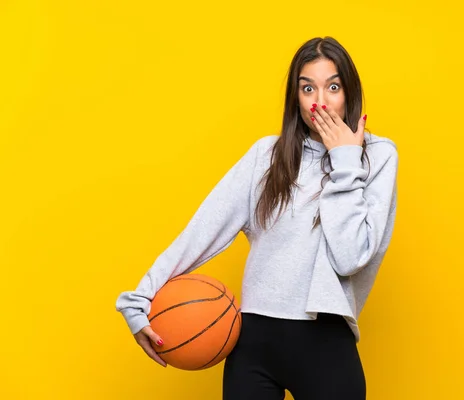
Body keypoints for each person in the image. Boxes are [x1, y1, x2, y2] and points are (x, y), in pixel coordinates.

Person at [115, 36, 399, 400]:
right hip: (253, 343)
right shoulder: (267, 155)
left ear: (350, 91)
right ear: (295, 99)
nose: (320, 102)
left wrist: (345, 159)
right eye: (307, 87)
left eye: (333, 86)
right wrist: (139, 299)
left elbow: (350, 257)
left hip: (326, 342)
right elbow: (202, 230)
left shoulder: (378, 156)